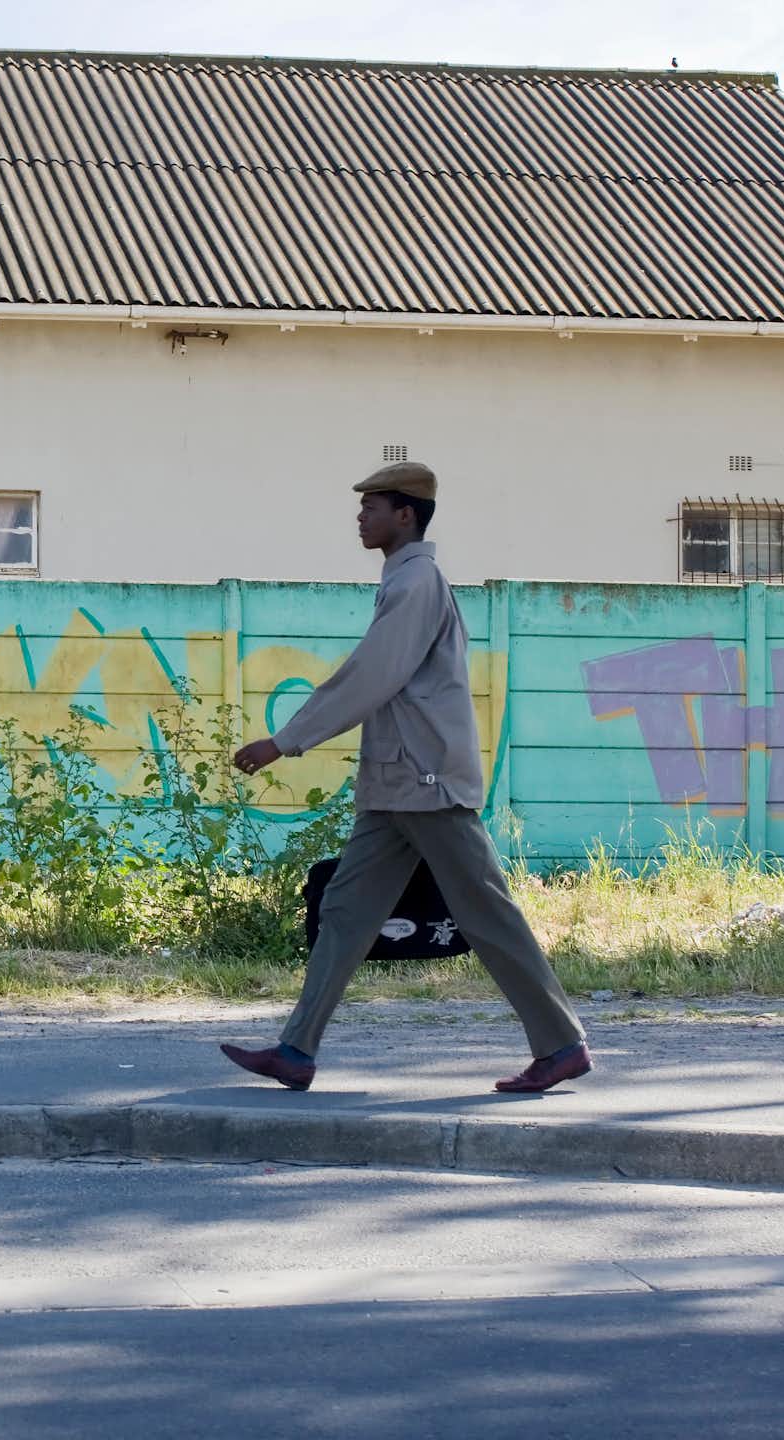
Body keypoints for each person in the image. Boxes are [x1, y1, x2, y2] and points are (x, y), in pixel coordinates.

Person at [221, 462, 592, 1095]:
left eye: (372, 506)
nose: (360, 516)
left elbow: (372, 674)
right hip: (396, 786)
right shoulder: (404, 582)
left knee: (486, 913)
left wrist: (286, 741)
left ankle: (560, 1045)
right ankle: (296, 1051)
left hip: (425, 783)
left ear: (406, 515)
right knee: (343, 909)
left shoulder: (416, 582)